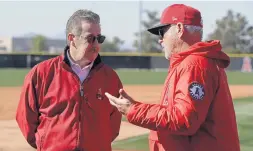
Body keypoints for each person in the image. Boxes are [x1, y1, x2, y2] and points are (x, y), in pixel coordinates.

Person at [105, 4, 240, 151]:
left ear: (180, 29)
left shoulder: (194, 65)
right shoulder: (194, 62)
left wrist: (133, 110)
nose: (160, 39)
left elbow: (184, 120)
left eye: (162, 32)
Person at [16, 9, 123, 151]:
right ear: (72, 38)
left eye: (100, 38)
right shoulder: (41, 73)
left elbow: (114, 124)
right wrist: (45, 145)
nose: (96, 43)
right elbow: (26, 118)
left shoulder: (110, 78)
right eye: (90, 38)